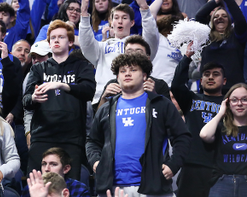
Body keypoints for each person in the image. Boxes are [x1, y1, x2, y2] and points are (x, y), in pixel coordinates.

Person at [86, 53, 191, 197]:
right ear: (117, 78)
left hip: (153, 186)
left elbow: (182, 137)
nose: (127, 73)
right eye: (122, 71)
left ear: (145, 76)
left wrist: (174, 165)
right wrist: (96, 161)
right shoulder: (106, 107)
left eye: (133, 70)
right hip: (113, 186)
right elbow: (92, 140)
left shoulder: (161, 104)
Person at [24, 20, 96, 180]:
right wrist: (34, 98)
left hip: (72, 137)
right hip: (42, 135)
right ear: (49, 43)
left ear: (70, 42)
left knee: (70, 187)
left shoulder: (82, 66)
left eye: (61, 37)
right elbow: (26, 101)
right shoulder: (37, 68)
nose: (56, 40)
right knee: (36, 184)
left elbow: (89, 92)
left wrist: (63, 85)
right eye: (53, 38)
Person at [79, 0, 159, 105]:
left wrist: (144, 7)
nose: (120, 21)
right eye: (116, 18)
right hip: (105, 98)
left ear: (132, 23)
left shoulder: (139, 45)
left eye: (124, 18)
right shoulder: (101, 46)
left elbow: (152, 39)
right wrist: (84, 13)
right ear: (111, 22)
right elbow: (86, 45)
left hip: (135, 97)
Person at [170, 44, 226, 197]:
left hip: (218, 166)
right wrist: (186, 57)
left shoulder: (229, 104)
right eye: (206, 74)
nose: (210, 77)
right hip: (191, 164)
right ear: (201, 80)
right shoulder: (191, 99)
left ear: (224, 81)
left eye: (216, 74)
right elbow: (176, 85)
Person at [195, 0, 247, 93]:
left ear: (229, 20)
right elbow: (198, 17)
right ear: (212, 21)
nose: (220, 18)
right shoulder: (206, 37)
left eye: (224, 15)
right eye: (216, 16)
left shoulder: (236, 36)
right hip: (209, 90)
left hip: (233, 89)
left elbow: (241, 21)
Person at [97, 36, 170, 109]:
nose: (133, 55)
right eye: (129, 52)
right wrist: (104, 98)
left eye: (138, 52)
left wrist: (154, 95)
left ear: (148, 58)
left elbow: (168, 115)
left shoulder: (159, 85)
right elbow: (99, 118)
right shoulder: (112, 84)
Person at [200, 83, 247, 196]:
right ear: (228, 103)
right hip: (222, 184)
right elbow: (204, 135)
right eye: (234, 100)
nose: (239, 103)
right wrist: (221, 113)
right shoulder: (221, 127)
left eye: (245, 99)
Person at [21, 147, 90, 197]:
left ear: (66, 169)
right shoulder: (31, 188)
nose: (47, 169)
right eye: (44, 164)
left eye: (53, 164)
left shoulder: (78, 188)